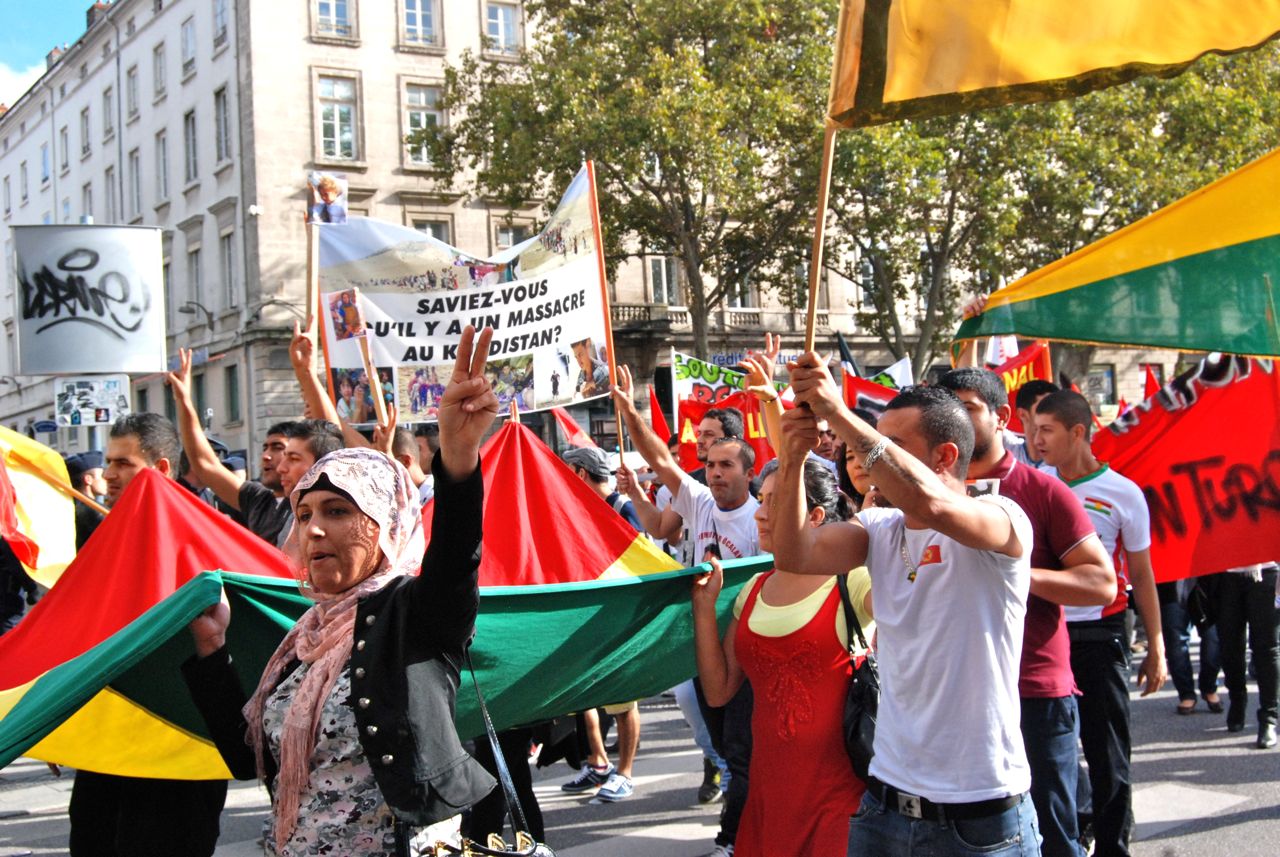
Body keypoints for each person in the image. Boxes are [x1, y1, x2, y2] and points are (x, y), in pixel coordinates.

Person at [181, 326, 500, 855]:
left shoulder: (413, 613)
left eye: (337, 511)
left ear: (385, 524)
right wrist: (212, 649)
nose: (313, 531)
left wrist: (458, 455)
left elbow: (456, 558)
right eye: (303, 515)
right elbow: (247, 759)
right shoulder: (303, 638)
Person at [774, 354, 1041, 857]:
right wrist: (792, 461)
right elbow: (794, 553)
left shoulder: (1003, 517)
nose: (867, 455)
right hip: (884, 807)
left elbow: (932, 504)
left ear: (943, 457)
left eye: (890, 446)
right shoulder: (879, 528)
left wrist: (837, 414)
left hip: (982, 817)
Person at [938, 368, 1115, 857]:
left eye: (968, 408)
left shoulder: (1042, 490)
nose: (954, 419)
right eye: (945, 408)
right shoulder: (921, 499)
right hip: (951, 699)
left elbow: (1101, 584)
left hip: (1033, 692)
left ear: (1001, 418)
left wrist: (1016, 573)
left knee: (1054, 836)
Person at [612, 365, 760, 857]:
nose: (714, 473)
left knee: (741, 755)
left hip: (747, 653)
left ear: (747, 472)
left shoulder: (763, 518)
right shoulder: (697, 502)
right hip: (701, 649)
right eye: (710, 465)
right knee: (722, 748)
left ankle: (733, 840)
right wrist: (630, 409)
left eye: (726, 465)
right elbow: (659, 457)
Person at [693, 456, 872, 857]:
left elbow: (919, 608)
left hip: (841, 794)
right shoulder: (754, 588)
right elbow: (719, 691)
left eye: (775, 503)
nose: (759, 514)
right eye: (761, 500)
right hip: (768, 790)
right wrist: (704, 609)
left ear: (815, 516)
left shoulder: (854, 579)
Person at [69, 413, 229, 857]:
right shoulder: (104, 538)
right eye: (108, 462)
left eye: (124, 463)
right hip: (107, 744)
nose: (110, 475)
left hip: (178, 747)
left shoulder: (200, 538)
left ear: (160, 470)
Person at [1033, 390, 1168, 855]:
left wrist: (1157, 645)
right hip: (1044, 639)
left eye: (1046, 430)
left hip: (1099, 637)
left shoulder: (1123, 493)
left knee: (1108, 754)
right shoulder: (1035, 486)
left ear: (1078, 432)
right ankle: (1069, 838)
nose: (1036, 439)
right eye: (1033, 429)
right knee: (1051, 755)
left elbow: (1143, 575)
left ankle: (1114, 845)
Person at [556, 445, 643, 802]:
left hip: (620, 613)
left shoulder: (622, 507)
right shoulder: (580, 510)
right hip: (591, 615)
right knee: (587, 691)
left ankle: (625, 771)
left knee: (624, 700)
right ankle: (599, 761)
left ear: (579, 473)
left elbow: (643, 558)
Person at [1212, 565, 1279, 748]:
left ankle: (1269, 719)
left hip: (1267, 571)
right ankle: (1237, 699)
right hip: (1227, 572)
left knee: (1267, 649)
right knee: (1229, 646)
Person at [1158, 579, 1221, 715]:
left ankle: (1209, 687)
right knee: (1175, 642)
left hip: (1207, 582)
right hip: (1172, 583)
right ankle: (1186, 693)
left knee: (1213, 640)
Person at [64, 451, 107, 549]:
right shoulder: (97, 512)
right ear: (88, 479)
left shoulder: (67, 506)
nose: (106, 479)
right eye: (101, 476)